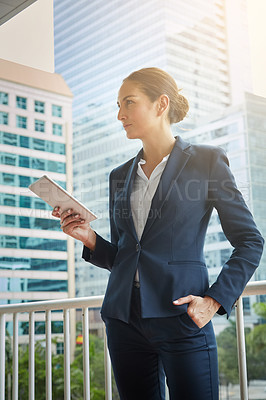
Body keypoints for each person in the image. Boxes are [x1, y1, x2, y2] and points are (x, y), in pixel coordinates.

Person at [52, 67, 264, 400]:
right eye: (117, 106)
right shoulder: (119, 176)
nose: (120, 115)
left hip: (182, 316)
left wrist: (214, 301)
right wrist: (88, 238)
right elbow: (128, 254)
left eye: (128, 103)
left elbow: (250, 241)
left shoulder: (207, 162)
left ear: (160, 104)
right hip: (124, 319)